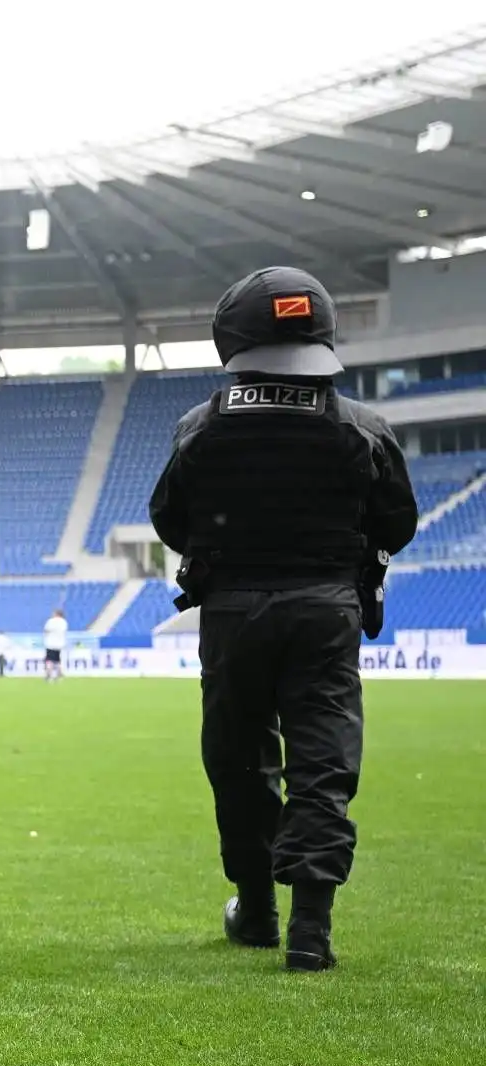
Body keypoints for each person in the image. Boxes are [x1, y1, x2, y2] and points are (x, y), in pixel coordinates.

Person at [149, 265, 418, 972]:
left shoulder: (199, 425)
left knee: (240, 763)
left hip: (233, 614)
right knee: (322, 767)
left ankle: (257, 910)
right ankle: (312, 930)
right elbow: (401, 522)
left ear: (234, 339)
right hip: (326, 611)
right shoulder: (364, 428)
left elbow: (169, 520)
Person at [42, 608, 68, 681]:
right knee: (57, 659)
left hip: (50, 643)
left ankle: (49, 675)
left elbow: (46, 630)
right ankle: (59, 675)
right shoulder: (64, 622)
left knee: (49, 659)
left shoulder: (50, 621)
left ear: (56, 614)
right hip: (60, 643)